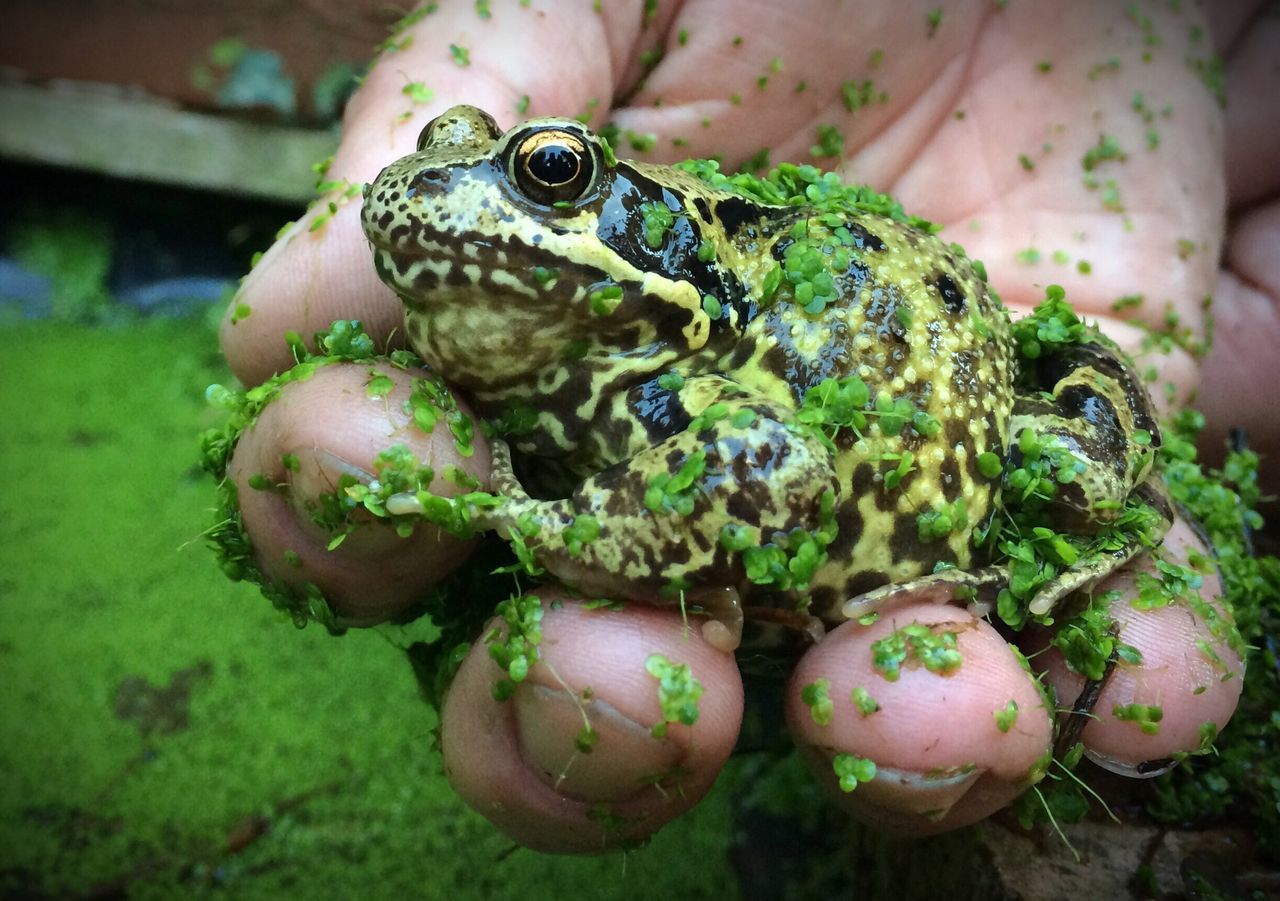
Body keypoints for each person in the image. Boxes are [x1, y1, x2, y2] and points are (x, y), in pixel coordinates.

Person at [218, 0, 1276, 852]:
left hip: (969, 407)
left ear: (632, 218)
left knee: (1071, 478)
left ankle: (1105, 540)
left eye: (544, 175)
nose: (441, 185)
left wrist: (554, 531)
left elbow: (774, 457)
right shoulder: (540, 345)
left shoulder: (677, 377)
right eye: (449, 153)